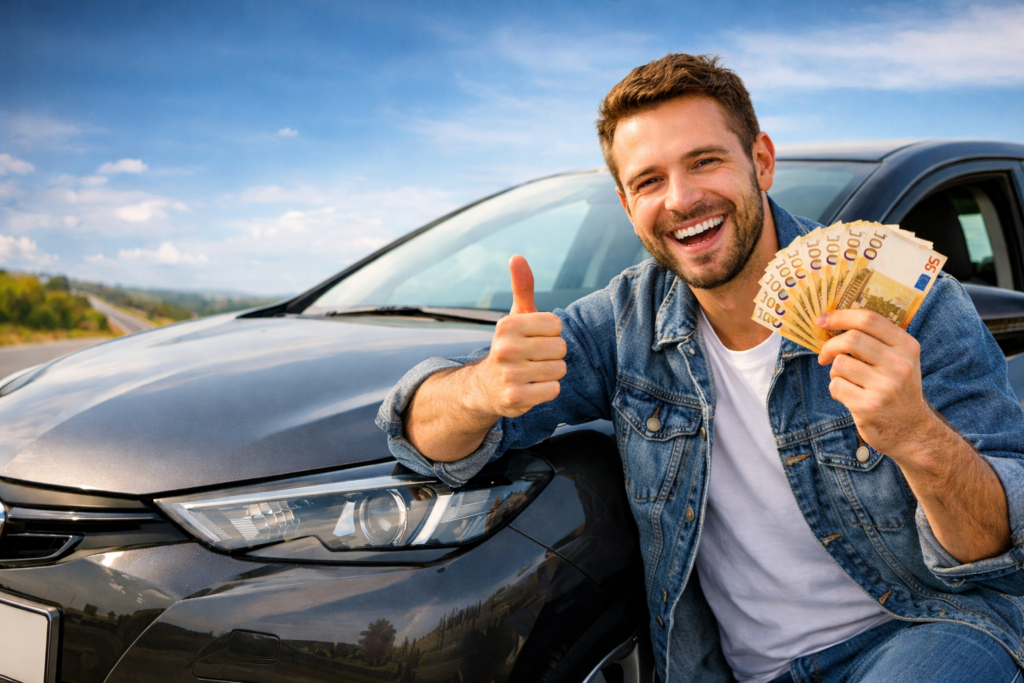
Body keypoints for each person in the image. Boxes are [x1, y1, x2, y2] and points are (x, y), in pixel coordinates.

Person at [376, 53, 1024, 682]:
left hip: (925, 628)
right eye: (649, 181)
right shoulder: (623, 322)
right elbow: (419, 434)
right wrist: (481, 390)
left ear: (761, 161)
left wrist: (916, 436)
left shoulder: (907, 305)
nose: (682, 199)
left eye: (704, 161)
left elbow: (994, 547)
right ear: (627, 205)